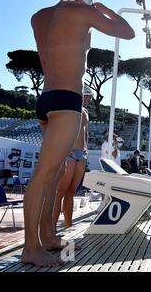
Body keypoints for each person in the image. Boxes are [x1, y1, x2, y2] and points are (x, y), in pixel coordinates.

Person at [22, 0, 134, 267]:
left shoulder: (40, 17)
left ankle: (46, 236)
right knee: (44, 175)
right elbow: (128, 32)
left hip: (45, 100)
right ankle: (30, 248)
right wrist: (105, 9)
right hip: (66, 102)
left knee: (55, 172)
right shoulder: (82, 12)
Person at [52, 85, 92, 231]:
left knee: (71, 192)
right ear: (83, 95)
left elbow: (85, 132)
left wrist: (86, 149)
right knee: (60, 191)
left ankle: (68, 226)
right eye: (88, 96)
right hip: (69, 151)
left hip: (81, 153)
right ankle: (52, 228)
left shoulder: (85, 111)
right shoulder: (69, 106)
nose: (90, 100)